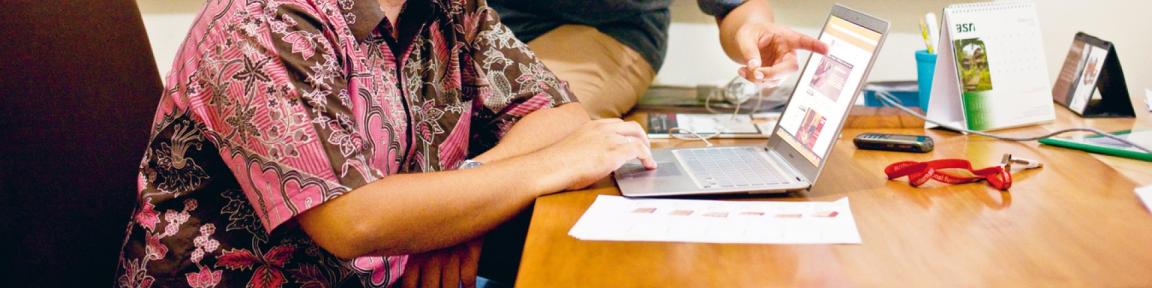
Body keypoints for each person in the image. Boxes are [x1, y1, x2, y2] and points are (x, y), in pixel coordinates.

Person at [114, 0, 655, 287]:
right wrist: (551, 168)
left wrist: (455, 208)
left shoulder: (449, 6)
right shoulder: (262, 20)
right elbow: (354, 222)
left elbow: (558, 114)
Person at [489, 0, 830, 119]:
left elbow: (735, 6)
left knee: (543, 122)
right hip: (464, 23)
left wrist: (755, 30)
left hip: (605, 33)